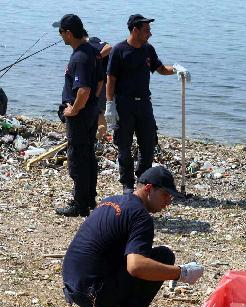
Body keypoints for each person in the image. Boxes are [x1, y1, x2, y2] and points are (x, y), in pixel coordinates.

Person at [62, 166, 204, 307]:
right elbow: (136, 266)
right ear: (149, 189)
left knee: (139, 254)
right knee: (163, 256)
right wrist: (182, 273)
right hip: (93, 294)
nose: (168, 202)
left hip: (72, 287)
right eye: (165, 195)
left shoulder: (111, 200)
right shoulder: (140, 216)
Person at [105, 14, 189, 194]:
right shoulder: (119, 50)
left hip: (144, 104)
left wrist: (176, 69)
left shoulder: (147, 49)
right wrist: (109, 104)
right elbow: (110, 78)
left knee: (148, 144)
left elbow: (159, 69)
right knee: (124, 146)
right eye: (146, 30)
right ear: (135, 30)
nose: (150, 34)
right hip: (124, 104)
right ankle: (127, 184)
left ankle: (142, 180)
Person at [53, 14, 101, 217]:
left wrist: (73, 110)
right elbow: (99, 83)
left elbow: (84, 89)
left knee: (77, 157)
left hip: (80, 114)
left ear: (69, 33)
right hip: (89, 112)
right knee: (88, 154)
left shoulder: (80, 56)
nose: (60, 36)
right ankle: (89, 198)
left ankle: (79, 204)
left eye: (61, 32)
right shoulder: (93, 51)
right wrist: (91, 106)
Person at [85, 33, 112, 139]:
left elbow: (109, 47)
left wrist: (97, 58)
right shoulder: (81, 50)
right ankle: (97, 133)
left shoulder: (92, 41)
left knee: (100, 110)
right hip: (92, 83)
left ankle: (101, 135)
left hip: (103, 82)